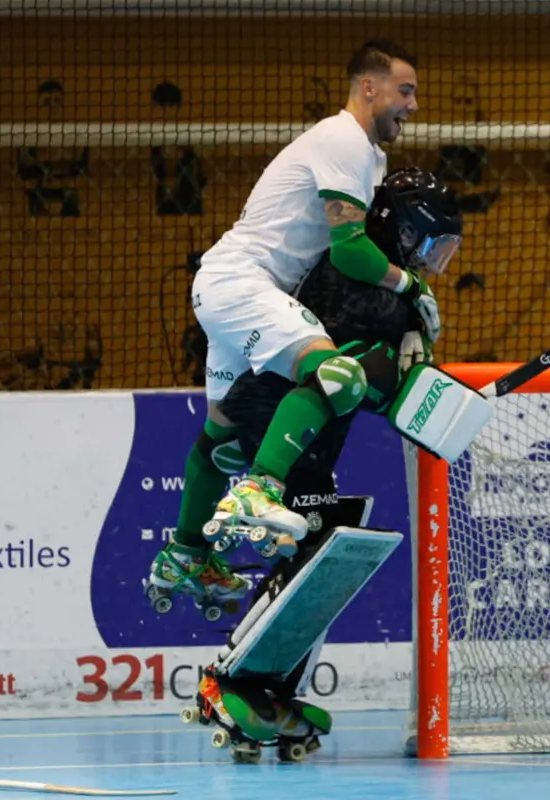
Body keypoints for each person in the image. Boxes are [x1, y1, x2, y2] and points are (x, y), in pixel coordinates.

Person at [147, 168, 463, 761]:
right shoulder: (361, 282)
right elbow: (361, 378)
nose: (434, 260)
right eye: (429, 243)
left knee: (325, 544)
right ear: (402, 231)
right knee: (322, 546)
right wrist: (411, 377)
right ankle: (232, 679)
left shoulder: (378, 285)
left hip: (286, 418)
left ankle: (262, 682)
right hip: (283, 418)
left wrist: (413, 351)